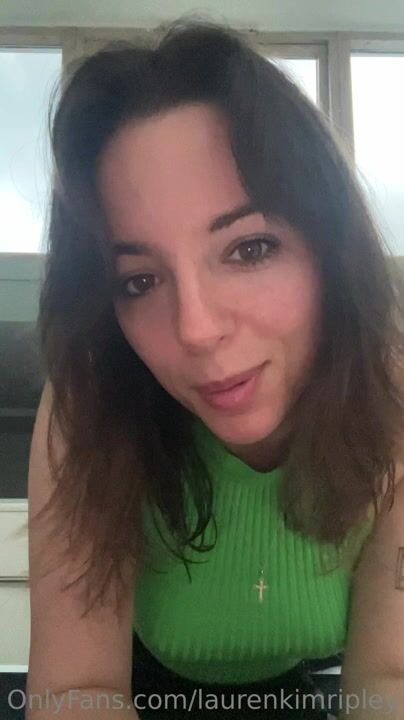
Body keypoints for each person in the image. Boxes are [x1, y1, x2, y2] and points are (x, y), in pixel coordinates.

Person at [26, 19, 404, 720]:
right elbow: (77, 687)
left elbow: (387, 676)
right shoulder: (91, 403)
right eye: (140, 281)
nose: (196, 330)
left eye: (249, 249)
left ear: (328, 249)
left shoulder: (394, 402)